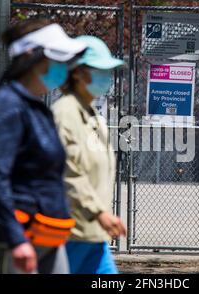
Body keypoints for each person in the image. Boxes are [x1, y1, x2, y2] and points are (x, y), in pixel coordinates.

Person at [0, 20, 87, 274]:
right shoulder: (7, 105)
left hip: (47, 233)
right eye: (57, 59)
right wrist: (16, 240)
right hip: (15, 238)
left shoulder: (37, 107)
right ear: (30, 57)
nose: (64, 68)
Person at [51, 36, 126, 274]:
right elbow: (68, 172)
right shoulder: (64, 114)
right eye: (100, 70)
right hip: (71, 234)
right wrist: (98, 212)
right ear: (77, 73)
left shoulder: (93, 115)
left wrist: (101, 216)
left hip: (93, 233)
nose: (107, 77)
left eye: (108, 70)